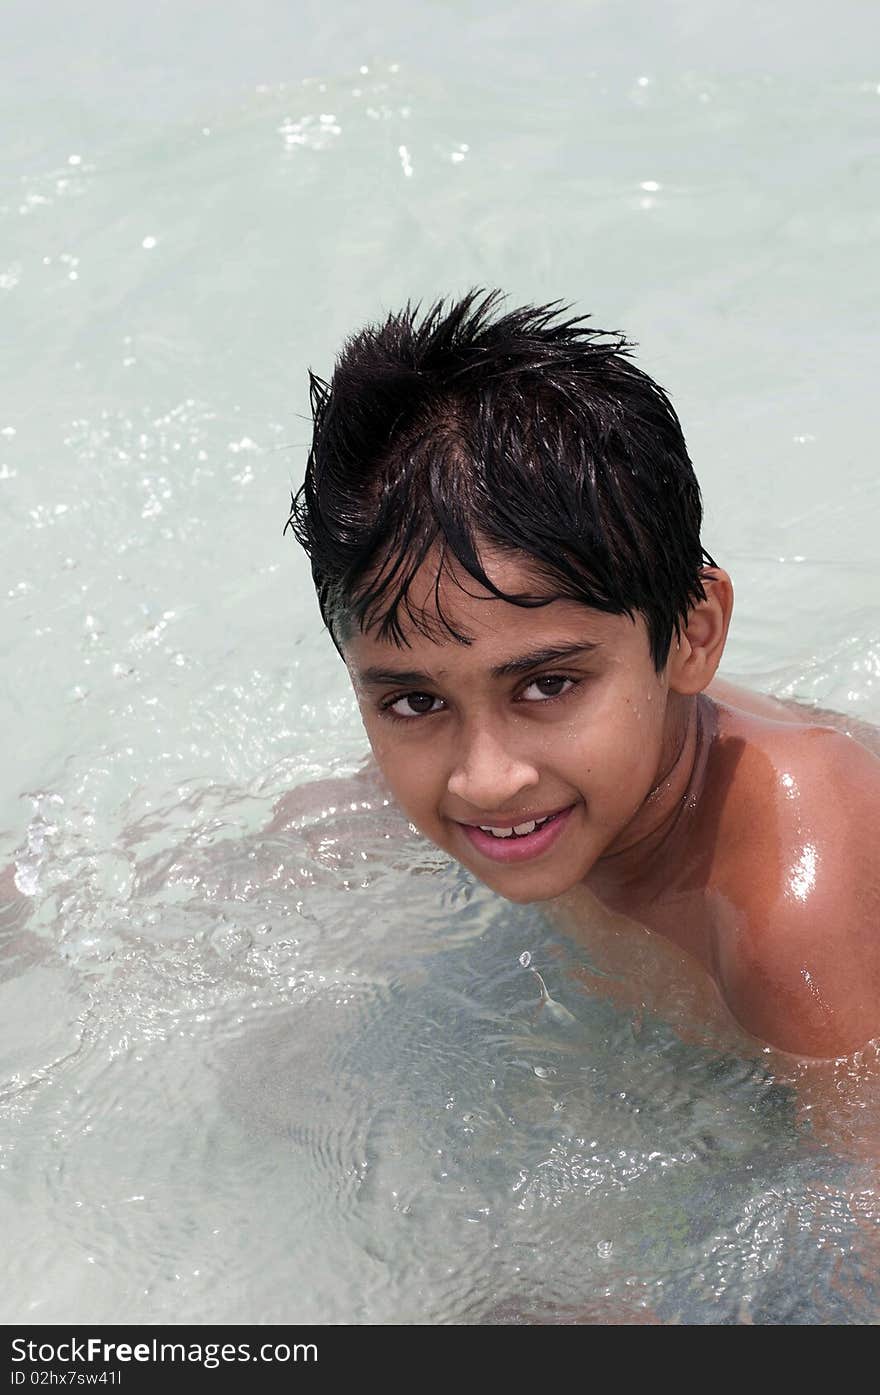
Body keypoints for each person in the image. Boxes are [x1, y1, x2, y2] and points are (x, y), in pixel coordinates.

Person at [285, 288, 880, 1060]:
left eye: (547, 686)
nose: (486, 779)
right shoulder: (539, 757)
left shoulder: (792, 920)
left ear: (692, 637)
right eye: (416, 699)